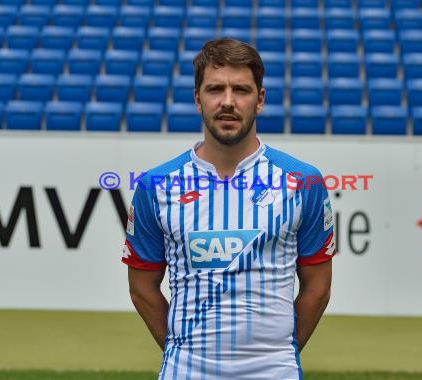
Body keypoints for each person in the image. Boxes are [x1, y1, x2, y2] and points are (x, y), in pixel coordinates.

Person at [121, 38, 336, 380]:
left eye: (241, 90)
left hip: (274, 370)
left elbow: (318, 287)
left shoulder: (304, 182)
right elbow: (142, 288)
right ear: (197, 98)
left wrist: (279, 350)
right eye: (215, 89)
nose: (228, 102)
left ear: (260, 100)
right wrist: (184, 349)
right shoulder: (156, 186)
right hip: (186, 370)